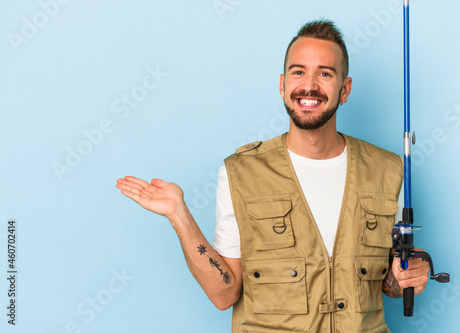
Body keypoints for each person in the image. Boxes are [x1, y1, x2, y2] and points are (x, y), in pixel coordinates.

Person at [116, 19, 429, 333]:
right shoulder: (241, 173)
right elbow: (225, 294)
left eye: (325, 73)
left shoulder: (388, 171)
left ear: (345, 89)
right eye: (298, 71)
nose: (309, 86)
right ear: (282, 86)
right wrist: (179, 215)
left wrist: (412, 274)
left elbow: (391, 284)